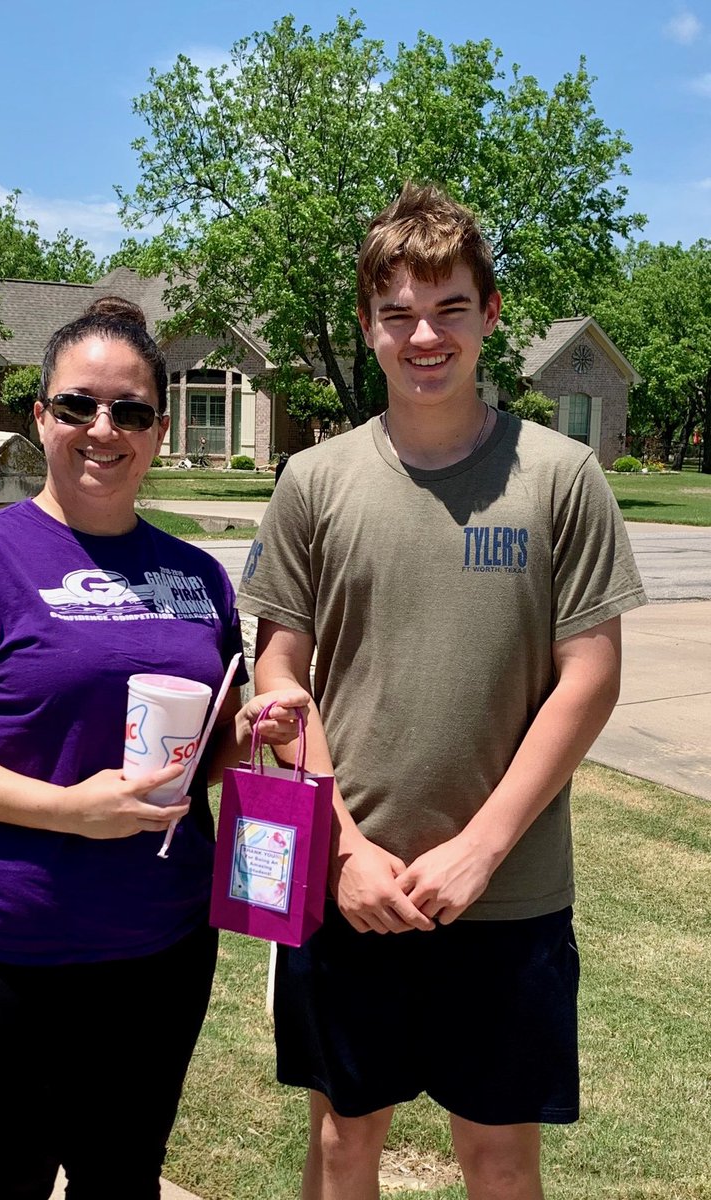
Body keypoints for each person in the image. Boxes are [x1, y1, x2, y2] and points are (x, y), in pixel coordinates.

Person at [236, 183, 648, 1200]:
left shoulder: (559, 477)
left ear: (490, 316)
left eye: (450, 307)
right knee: (343, 1144)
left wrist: (480, 846)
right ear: (368, 325)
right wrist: (341, 854)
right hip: (348, 887)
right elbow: (281, 673)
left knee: (500, 1158)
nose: (425, 334)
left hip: (508, 897)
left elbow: (589, 678)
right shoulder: (315, 481)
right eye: (398, 312)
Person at [0, 296, 308, 1200]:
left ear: (157, 428)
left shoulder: (194, 575)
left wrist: (246, 732)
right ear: (40, 417)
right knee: (4, 1184)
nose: (104, 429)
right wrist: (70, 811)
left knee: (123, 1182)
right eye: (78, 406)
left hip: (159, 951)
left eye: (131, 410)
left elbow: (195, 752)